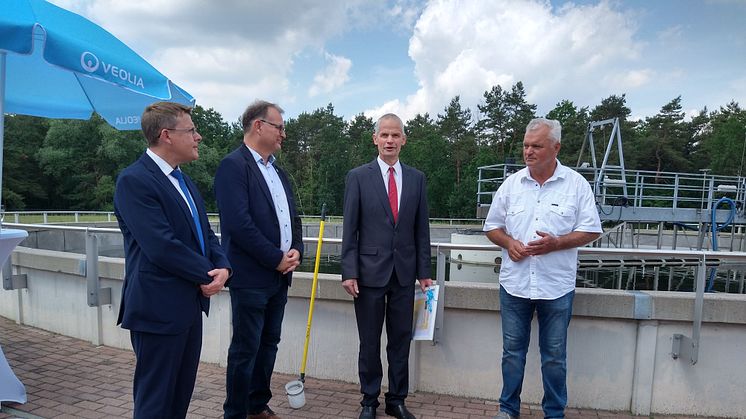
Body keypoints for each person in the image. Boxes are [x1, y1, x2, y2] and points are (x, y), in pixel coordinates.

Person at [114, 102, 231, 418]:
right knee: (156, 403)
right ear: (166, 135)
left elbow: (206, 234)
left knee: (178, 400)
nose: (199, 137)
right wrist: (209, 274)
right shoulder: (134, 181)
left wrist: (224, 267)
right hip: (157, 309)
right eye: (191, 130)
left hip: (188, 307)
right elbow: (162, 246)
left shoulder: (184, 181)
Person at [483, 118, 602, 419]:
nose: (528, 151)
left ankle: (554, 413)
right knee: (512, 354)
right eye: (526, 145)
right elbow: (491, 227)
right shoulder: (511, 185)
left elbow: (591, 230)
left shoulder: (576, 184)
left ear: (556, 147)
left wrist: (557, 242)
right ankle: (508, 410)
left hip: (556, 286)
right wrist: (509, 243)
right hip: (515, 284)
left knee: (554, 358)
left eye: (536, 146)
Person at [215, 100, 303, 419]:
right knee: (245, 349)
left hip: (279, 277)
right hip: (251, 277)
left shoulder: (277, 169)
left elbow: (292, 218)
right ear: (258, 126)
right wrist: (275, 258)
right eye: (279, 127)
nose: (283, 133)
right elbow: (239, 225)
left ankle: (256, 404)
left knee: (269, 344)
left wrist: (296, 252)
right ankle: (235, 412)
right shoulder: (233, 166)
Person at [341, 113, 432, 419]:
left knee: (400, 341)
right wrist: (349, 271)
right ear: (375, 139)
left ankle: (396, 399)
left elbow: (422, 230)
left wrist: (424, 272)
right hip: (368, 275)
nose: (390, 141)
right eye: (385, 135)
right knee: (369, 342)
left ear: (404, 140)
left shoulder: (417, 178)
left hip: (405, 275)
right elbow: (350, 228)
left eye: (396, 136)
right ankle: (369, 401)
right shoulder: (358, 177)